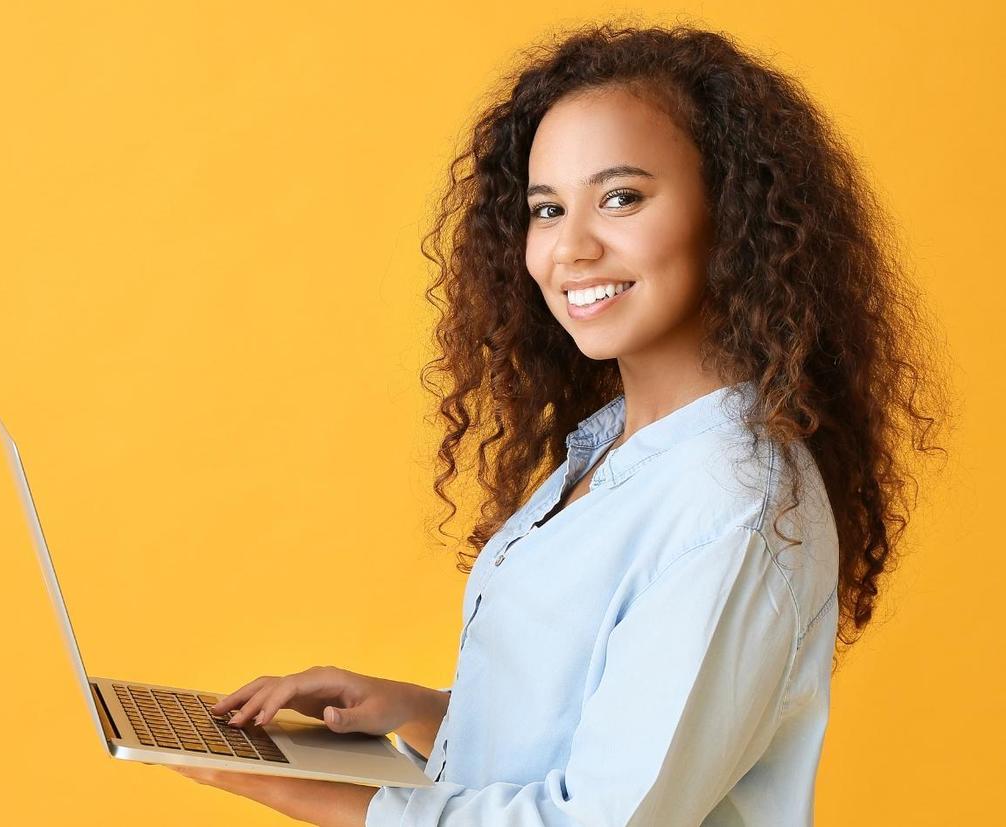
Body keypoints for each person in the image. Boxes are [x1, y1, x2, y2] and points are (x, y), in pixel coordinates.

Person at [164, 21, 949, 826]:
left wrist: (295, 787)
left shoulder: (732, 499)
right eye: (546, 208)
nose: (570, 247)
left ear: (731, 212)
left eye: (621, 197)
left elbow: (602, 817)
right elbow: (593, 731)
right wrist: (413, 708)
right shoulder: (615, 447)